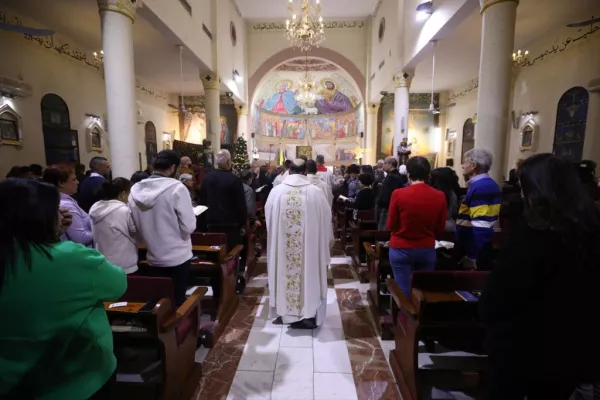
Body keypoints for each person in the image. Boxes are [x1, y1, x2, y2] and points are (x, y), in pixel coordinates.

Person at [480, 154, 600, 400]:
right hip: (574, 344)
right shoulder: (591, 228)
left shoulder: (533, 231)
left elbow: (501, 294)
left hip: (523, 345)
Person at [0, 178, 126, 399]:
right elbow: (118, 284)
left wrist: (50, 236)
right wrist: (56, 242)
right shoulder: (70, 258)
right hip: (74, 379)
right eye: (55, 208)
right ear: (40, 216)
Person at [265, 159, 334, 329]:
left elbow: (269, 220)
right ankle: (308, 315)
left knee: (284, 272)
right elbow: (326, 220)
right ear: (305, 172)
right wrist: (324, 241)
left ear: (289, 170)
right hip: (310, 250)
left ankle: (285, 313)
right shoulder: (316, 193)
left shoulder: (276, 192)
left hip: (283, 248)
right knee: (308, 275)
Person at [129, 150, 196, 305]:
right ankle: (178, 328)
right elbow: (189, 226)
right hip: (177, 256)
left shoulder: (135, 190)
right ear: (172, 168)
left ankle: (160, 327)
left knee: (159, 301)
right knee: (177, 301)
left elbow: (133, 226)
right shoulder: (177, 188)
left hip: (153, 256)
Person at [387, 156, 447, 297]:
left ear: (408, 173)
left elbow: (391, 224)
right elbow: (440, 227)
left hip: (401, 247)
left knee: (403, 288)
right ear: (428, 173)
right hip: (426, 248)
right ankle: (420, 317)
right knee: (422, 289)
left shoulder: (398, 194)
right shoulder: (439, 195)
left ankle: (404, 317)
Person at [455, 148, 502, 271]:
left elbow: (482, 225)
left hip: (474, 249)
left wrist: (474, 257)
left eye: (465, 162)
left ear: (473, 166)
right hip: (472, 246)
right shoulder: (483, 185)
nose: (463, 166)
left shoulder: (482, 188)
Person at [197, 150, 247, 252]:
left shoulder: (207, 178)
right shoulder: (234, 180)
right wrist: (242, 224)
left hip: (211, 224)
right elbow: (240, 204)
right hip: (231, 225)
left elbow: (202, 202)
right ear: (229, 161)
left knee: (212, 253)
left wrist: (201, 224)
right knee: (230, 253)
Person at [89, 178, 138, 274]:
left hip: (103, 261)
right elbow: (134, 232)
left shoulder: (95, 208)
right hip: (124, 264)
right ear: (123, 194)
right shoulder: (123, 210)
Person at [42, 164, 94, 247]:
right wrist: (99, 231)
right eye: (74, 179)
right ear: (61, 183)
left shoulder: (62, 201)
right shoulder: (66, 205)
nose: (77, 182)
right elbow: (80, 238)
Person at [376, 156, 408, 230]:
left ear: (390, 164)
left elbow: (389, 193)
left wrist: (380, 202)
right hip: (388, 206)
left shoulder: (392, 177)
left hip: (388, 207)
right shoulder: (393, 175)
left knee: (383, 231)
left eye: (385, 163)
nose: (383, 165)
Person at [431, 168, 459, 232]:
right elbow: (454, 211)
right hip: (449, 225)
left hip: (433, 225)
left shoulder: (431, 193)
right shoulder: (452, 194)